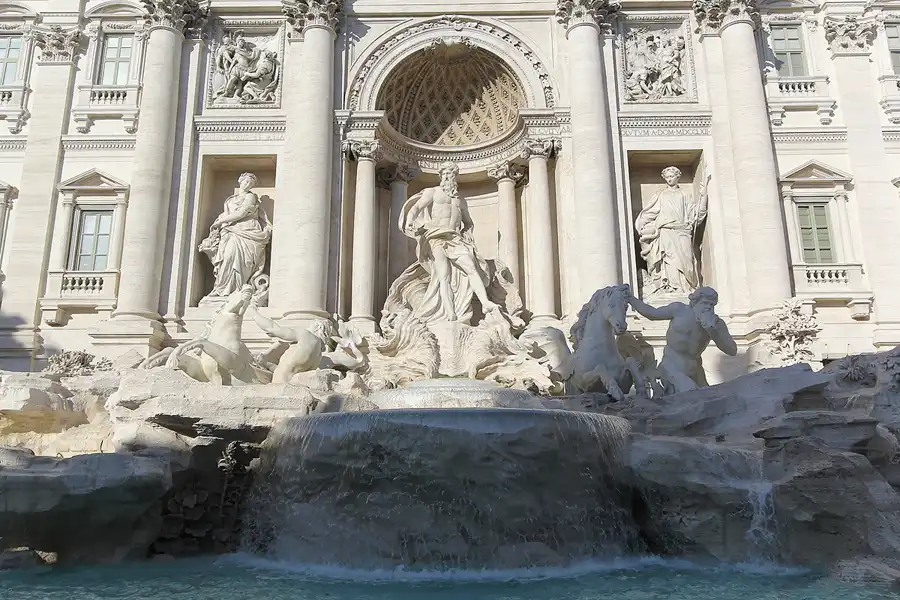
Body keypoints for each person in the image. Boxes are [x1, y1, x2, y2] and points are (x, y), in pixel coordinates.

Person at [399, 161, 499, 323]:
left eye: (451, 175)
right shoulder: (433, 192)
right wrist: (410, 220)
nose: (448, 177)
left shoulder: (460, 201)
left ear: (455, 178)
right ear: (441, 176)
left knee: (471, 267)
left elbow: (468, 222)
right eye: (445, 174)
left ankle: (485, 303)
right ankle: (450, 312)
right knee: (443, 275)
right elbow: (416, 208)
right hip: (436, 237)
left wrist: (467, 236)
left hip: (455, 239)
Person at [627, 286, 737, 394]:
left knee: (710, 398)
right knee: (690, 393)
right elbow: (652, 313)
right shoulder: (679, 310)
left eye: (711, 305)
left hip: (696, 371)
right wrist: (630, 298)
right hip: (672, 366)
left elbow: (732, 350)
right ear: (694, 302)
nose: (708, 307)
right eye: (704, 303)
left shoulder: (716, 323)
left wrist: (712, 331)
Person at [635, 166, 709, 296]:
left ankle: (687, 287)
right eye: (667, 177)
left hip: (683, 231)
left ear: (677, 177)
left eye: (672, 176)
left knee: (687, 262)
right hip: (666, 231)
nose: (669, 179)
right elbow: (650, 213)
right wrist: (642, 224)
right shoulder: (660, 195)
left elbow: (695, 216)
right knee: (669, 260)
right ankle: (671, 287)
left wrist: (703, 197)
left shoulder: (685, 194)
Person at [199, 172, 272, 302]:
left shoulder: (251, 197)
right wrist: (220, 221)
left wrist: (221, 221)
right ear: (240, 181)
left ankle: (239, 291)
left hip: (247, 231)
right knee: (227, 258)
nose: (248, 184)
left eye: (251, 183)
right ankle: (222, 289)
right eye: (246, 181)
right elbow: (227, 213)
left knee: (242, 261)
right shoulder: (231, 199)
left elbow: (242, 212)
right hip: (230, 231)